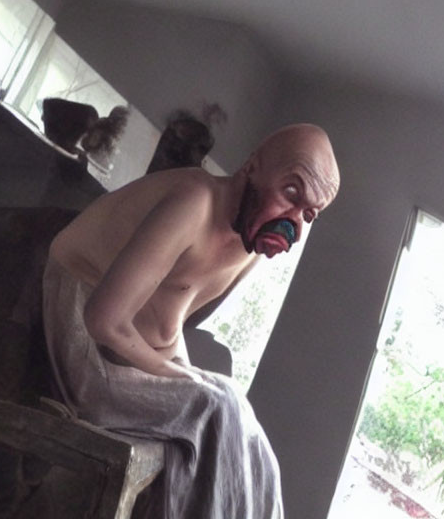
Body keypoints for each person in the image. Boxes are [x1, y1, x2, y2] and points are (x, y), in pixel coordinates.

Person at [42, 123, 340, 518]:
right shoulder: (194, 202)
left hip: (132, 349)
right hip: (82, 331)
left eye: (309, 214)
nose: (294, 223)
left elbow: (168, 321)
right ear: (252, 168)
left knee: (254, 441)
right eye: (290, 193)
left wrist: (185, 374)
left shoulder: (249, 245)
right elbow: (103, 319)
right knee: (218, 406)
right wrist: (184, 378)